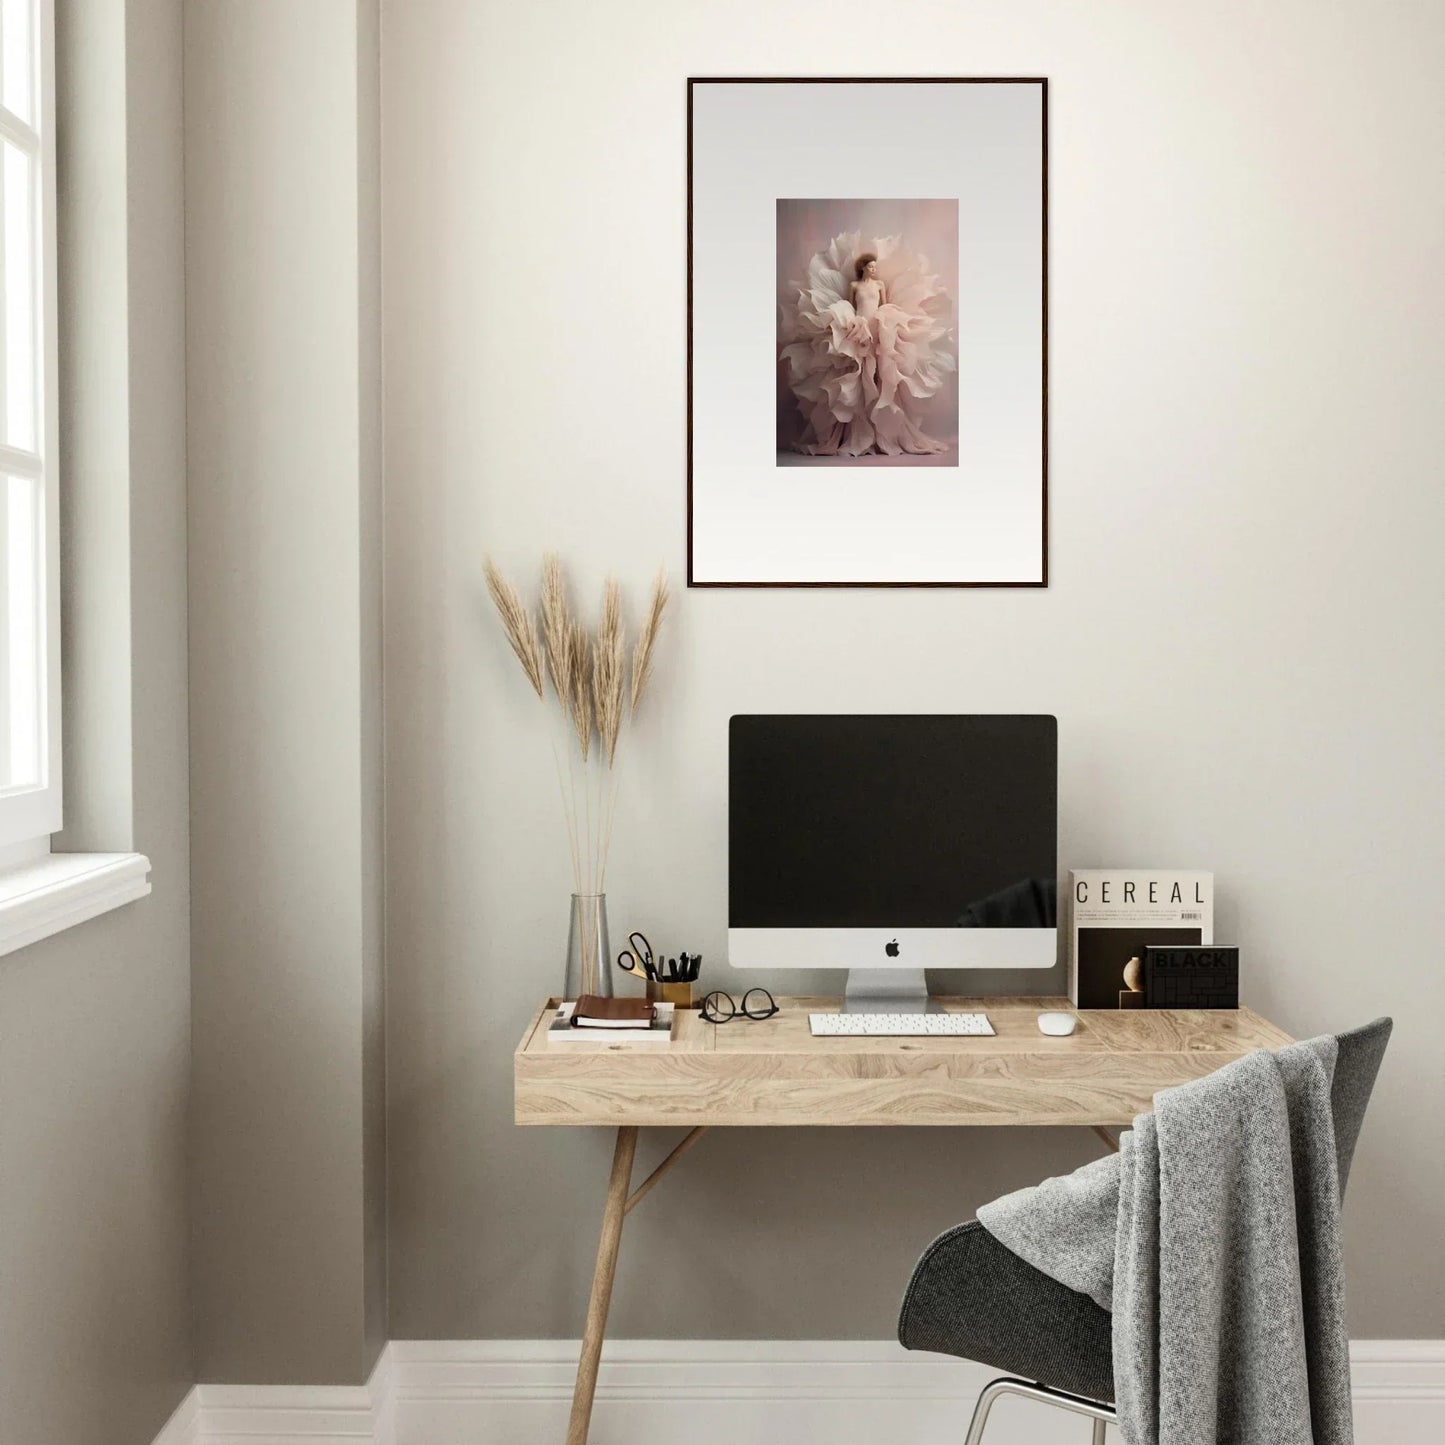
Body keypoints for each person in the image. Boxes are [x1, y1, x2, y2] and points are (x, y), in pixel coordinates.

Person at [780, 232, 956, 457]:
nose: (874, 270)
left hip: (879, 327)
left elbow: (882, 305)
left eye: (875, 266)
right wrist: (854, 324)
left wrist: (885, 323)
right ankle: (857, 433)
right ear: (864, 268)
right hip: (860, 328)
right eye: (871, 267)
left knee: (880, 377)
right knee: (861, 378)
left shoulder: (880, 284)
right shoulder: (855, 285)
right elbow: (853, 306)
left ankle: (881, 432)